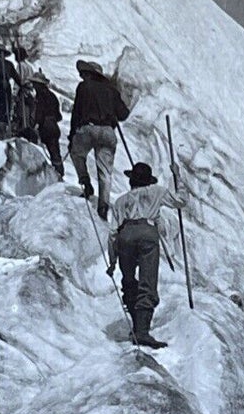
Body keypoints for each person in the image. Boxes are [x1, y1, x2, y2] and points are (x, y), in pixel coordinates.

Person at [107, 162, 182, 348]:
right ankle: (142, 331)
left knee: (129, 279)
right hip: (147, 233)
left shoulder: (121, 201)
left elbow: (112, 233)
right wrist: (177, 176)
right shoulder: (155, 191)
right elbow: (180, 200)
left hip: (125, 235)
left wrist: (112, 261)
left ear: (131, 180)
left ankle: (136, 324)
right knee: (147, 280)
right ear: (148, 181)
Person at [68, 59, 130, 218]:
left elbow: (76, 113)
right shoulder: (112, 90)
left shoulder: (83, 87)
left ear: (89, 74)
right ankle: (103, 206)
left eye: (83, 74)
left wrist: (72, 135)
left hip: (88, 128)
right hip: (108, 131)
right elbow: (123, 114)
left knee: (76, 153)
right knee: (105, 171)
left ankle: (85, 183)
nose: (81, 76)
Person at [28, 71, 65, 176]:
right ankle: (59, 173)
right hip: (53, 125)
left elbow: (40, 112)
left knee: (37, 149)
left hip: (45, 126)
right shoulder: (52, 96)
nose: (33, 86)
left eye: (35, 83)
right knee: (55, 152)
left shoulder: (40, 96)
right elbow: (58, 115)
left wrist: (36, 124)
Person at [0, 44, 23, 138]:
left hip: (5, 90)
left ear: (4, 54)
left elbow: (16, 77)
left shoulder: (8, 65)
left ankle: (3, 131)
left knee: (5, 110)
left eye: (1, 53)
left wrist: (22, 85)